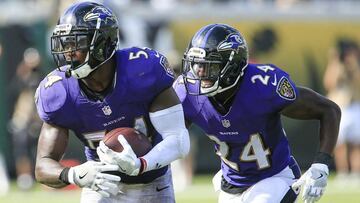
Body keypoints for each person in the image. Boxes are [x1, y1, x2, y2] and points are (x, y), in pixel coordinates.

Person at [34, 2, 189, 203]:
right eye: (65, 44)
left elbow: (178, 140)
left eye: (76, 43)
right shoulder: (58, 91)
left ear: (102, 44)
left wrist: (142, 163)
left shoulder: (143, 70)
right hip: (101, 185)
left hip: (153, 182)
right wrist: (73, 174)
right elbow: (42, 165)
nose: (68, 52)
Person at [173, 23, 341, 203]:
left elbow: (329, 109)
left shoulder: (263, 84)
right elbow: (167, 135)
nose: (199, 73)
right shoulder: (186, 91)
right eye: (196, 64)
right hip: (231, 183)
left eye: (209, 66)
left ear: (232, 66)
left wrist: (321, 164)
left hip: (273, 177)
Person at [323, 38, 360, 186]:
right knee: (340, 144)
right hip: (340, 107)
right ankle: (343, 172)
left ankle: (356, 172)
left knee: (356, 143)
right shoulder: (336, 65)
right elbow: (329, 83)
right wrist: (334, 61)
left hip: (355, 106)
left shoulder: (355, 66)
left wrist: (353, 62)